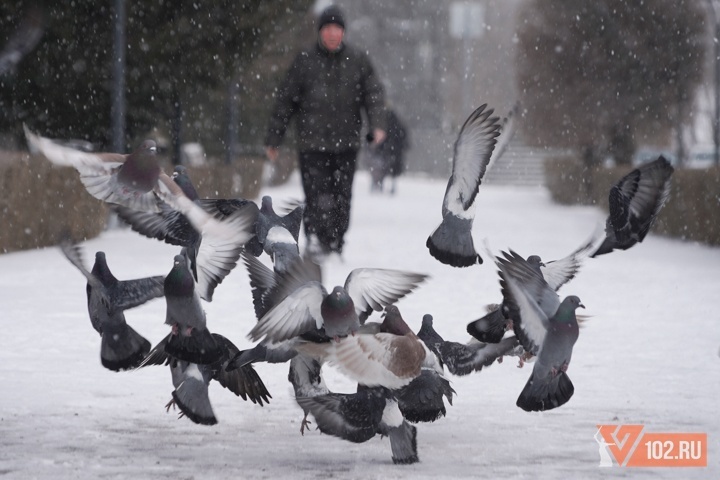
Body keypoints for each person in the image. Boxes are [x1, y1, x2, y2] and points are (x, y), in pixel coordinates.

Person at [264, 4, 387, 260]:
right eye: (328, 28)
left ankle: (337, 240)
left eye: (337, 29)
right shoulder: (305, 61)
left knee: (342, 195)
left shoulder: (358, 60)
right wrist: (274, 138)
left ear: (343, 32)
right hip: (312, 144)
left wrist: (377, 125)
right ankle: (317, 239)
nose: (333, 34)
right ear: (320, 31)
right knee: (316, 194)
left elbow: (373, 94)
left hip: (346, 144)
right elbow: (285, 101)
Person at [370, 108, 409, 194]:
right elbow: (404, 138)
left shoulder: (382, 125)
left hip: (384, 150)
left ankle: (377, 185)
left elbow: (371, 137)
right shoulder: (398, 125)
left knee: (380, 168)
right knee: (390, 170)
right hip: (392, 151)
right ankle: (388, 186)